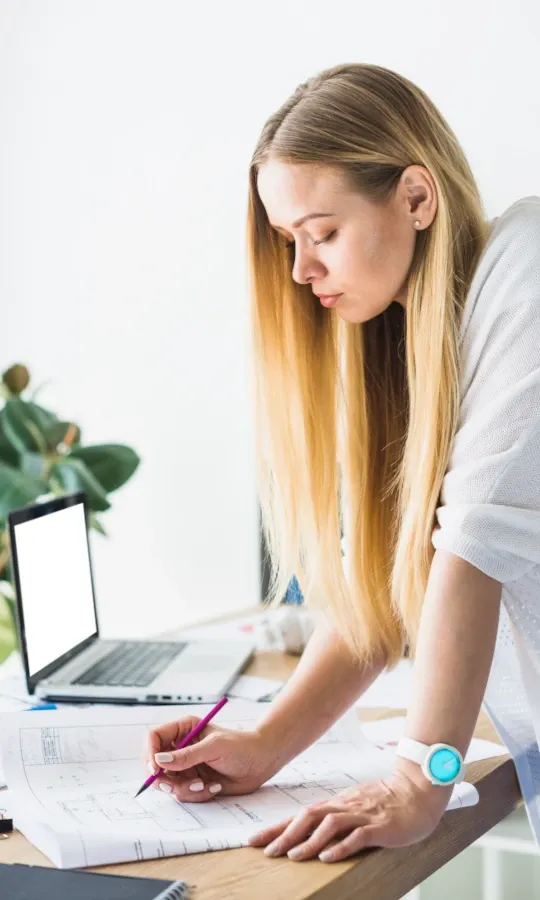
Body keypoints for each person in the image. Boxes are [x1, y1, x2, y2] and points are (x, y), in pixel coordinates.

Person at [144, 63, 540, 863]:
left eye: (322, 233)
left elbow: (471, 550)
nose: (301, 271)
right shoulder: (404, 341)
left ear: (417, 198)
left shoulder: (527, 264)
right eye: (291, 241)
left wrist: (418, 781)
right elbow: (385, 593)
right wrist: (265, 744)